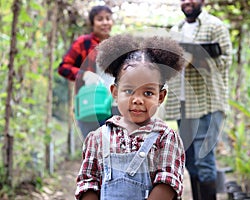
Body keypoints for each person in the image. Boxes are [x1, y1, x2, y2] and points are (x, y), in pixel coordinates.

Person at [75, 34, 186, 200]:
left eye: (148, 93)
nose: (137, 100)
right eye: (128, 91)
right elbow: (88, 182)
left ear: (161, 97)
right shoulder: (98, 138)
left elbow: (168, 182)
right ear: (114, 93)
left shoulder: (166, 138)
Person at [165, 0, 232, 199]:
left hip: (207, 104)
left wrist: (197, 59)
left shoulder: (215, 26)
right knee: (190, 160)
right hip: (183, 106)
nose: (188, 2)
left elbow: (225, 62)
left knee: (204, 160)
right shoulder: (175, 30)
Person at [57, 5, 114, 138]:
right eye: (100, 19)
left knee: (113, 148)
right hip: (89, 103)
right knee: (93, 147)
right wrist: (84, 75)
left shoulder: (115, 44)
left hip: (113, 104)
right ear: (92, 23)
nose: (105, 22)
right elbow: (63, 67)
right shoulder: (83, 43)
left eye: (108, 18)